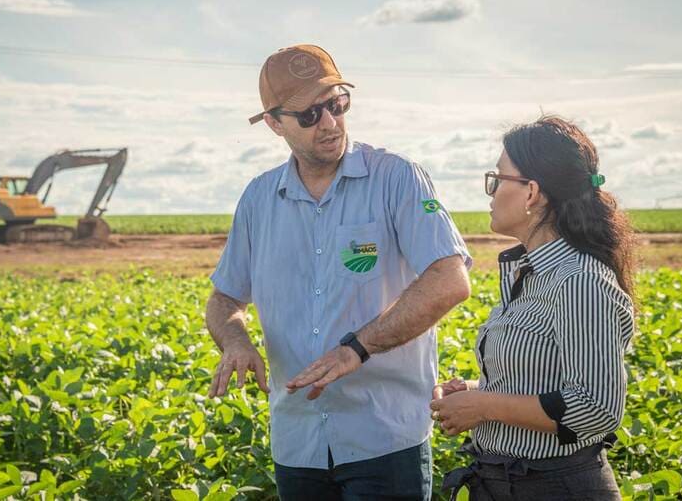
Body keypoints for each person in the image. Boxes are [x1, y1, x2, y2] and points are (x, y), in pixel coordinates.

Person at [206, 44, 472, 500]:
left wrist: (357, 349)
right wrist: (235, 340)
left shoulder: (397, 178)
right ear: (274, 123)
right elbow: (225, 299)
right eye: (309, 115)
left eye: (337, 104)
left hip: (384, 436)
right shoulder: (258, 200)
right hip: (297, 441)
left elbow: (449, 278)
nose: (329, 122)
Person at [430, 116, 635, 500]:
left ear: (531, 192)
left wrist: (485, 406)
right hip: (504, 482)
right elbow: (544, 382)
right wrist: (476, 390)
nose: (490, 193)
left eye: (497, 179)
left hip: (556, 487)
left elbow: (595, 407)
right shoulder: (529, 272)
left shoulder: (579, 279)